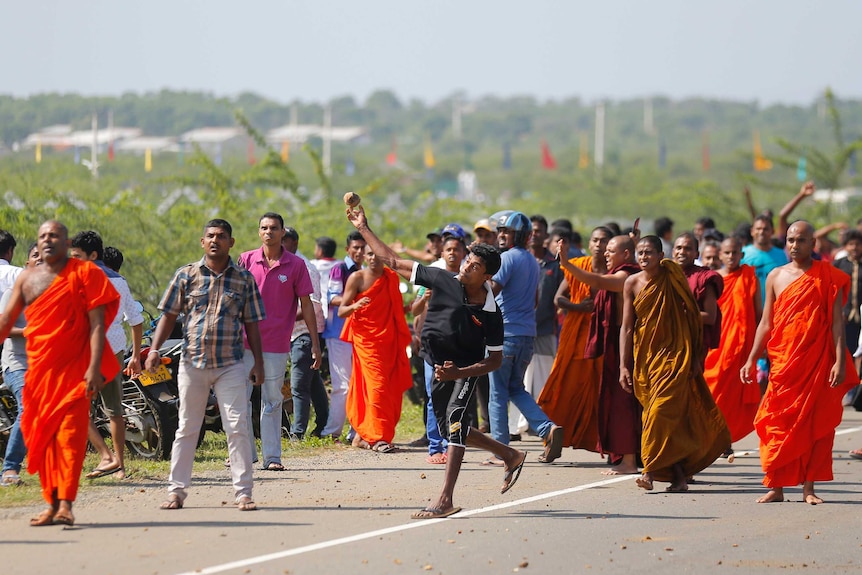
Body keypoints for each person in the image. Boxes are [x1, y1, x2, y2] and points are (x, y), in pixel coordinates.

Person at [345, 205, 526, 519]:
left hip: (465, 369)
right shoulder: (443, 279)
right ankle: (509, 454)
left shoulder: (490, 313)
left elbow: (494, 361)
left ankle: (444, 499)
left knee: (455, 425)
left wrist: (461, 372)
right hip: (436, 364)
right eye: (468, 260)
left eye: (474, 265)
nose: (466, 266)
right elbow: (392, 260)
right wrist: (363, 227)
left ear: (486, 275)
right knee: (450, 429)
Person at [0, 220, 120, 526]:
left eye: (55, 235)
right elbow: (5, 320)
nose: (48, 240)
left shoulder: (85, 273)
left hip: (76, 371)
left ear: (67, 243)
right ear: (37, 244)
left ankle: (66, 502)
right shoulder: (27, 279)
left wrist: (94, 367)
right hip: (38, 373)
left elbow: (96, 324)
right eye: (43, 236)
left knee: (70, 437)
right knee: (45, 439)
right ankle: (51, 503)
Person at [145, 219, 265, 511]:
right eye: (210, 236)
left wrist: (258, 363)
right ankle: (176, 491)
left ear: (231, 243)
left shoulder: (243, 279)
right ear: (202, 242)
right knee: (187, 427)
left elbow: (252, 324)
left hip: (231, 364)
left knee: (236, 427)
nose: (215, 240)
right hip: (192, 363)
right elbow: (169, 316)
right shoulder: (186, 276)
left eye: (221, 236)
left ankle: (243, 492)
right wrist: (153, 350)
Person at [741, 221, 858, 504]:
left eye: (802, 240)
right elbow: (766, 322)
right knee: (777, 420)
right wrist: (751, 357)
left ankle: (809, 488)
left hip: (816, 360)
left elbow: (836, 325)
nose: (795, 245)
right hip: (783, 362)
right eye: (791, 240)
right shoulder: (775, 276)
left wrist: (840, 361)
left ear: (813, 244)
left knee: (813, 422)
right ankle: (776, 486)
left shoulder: (827, 276)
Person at [620, 235, 730, 492]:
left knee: (660, 411)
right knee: (661, 416)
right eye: (641, 253)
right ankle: (679, 476)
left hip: (675, 356)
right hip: (646, 358)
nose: (644, 257)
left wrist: (694, 358)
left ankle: (648, 471)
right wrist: (624, 365)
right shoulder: (631, 283)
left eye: (649, 253)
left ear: (661, 256)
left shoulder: (672, 279)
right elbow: (627, 326)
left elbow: (692, 318)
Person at [237, 214, 320, 470]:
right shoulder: (246, 259)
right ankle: (244, 455)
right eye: (264, 228)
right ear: (258, 231)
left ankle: (272, 457)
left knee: (272, 401)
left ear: (282, 232)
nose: (268, 232)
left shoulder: (296, 265)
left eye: (273, 228)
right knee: (240, 400)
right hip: (244, 341)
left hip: (276, 343)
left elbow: (307, 305)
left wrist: (315, 343)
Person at [557, 233, 642, 475]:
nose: (605, 254)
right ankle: (629, 456)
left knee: (624, 402)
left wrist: (566, 263)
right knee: (619, 401)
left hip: (626, 344)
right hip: (618, 342)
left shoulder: (625, 276)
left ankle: (629, 461)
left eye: (611, 250)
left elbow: (595, 281)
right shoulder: (624, 273)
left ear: (626, 254)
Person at [487, 210, 562, 464]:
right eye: (500, 231)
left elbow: (491, 290)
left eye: (505, 231)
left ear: (518, 235)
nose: (501, 235)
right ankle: (546, 428)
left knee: (497, 393)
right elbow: (537, 300)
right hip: (527, 336)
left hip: (504, 335)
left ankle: (501, 451)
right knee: (516, 388)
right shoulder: (531, 261)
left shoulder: (507, 259)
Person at [70, 230, 145, 481]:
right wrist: (134, 355)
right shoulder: (119, 280)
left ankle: (97, 459)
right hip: (115, 349)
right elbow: (135, 320)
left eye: (77, 256)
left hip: (88, 350)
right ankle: (120, 466)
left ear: (92, 255)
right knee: (114, 411)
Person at [538, 226, 609, 455]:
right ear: (590, 243)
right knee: (563, 387)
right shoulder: (579, 265)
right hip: (576, 336)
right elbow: (558, 299)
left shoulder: (616, 271)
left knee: (601, 391)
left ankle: (606, 444)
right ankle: (552, 439)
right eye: (595, 240)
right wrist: (578, 307)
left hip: (603, 339)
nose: (599, 245)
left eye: (604, 241)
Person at [339, 243, 413, 452]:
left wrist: (415, 305)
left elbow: (396, 309)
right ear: (363, 256)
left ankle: (364, 435)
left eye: (377, 254)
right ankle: (377, 437)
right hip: (367, 343)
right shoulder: (357, 278)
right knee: (376, 387)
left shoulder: (390, 278)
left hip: (389, 342)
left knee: (389, 389)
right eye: (369, 254)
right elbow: (342, 310)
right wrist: (354, 306)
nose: (373, 258)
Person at [704, 237, 762, 454]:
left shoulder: (749, 277)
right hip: (717, 346)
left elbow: (758, 314)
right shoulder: (713, 278)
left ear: (741, 254)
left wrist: (759, 345)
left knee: (732, 399)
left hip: (740, 347)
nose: (731, 256)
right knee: (712, 392)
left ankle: (725, 438)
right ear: (720, 255)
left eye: (735, 252)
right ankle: (712, 437)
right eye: (727, 253)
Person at [508, 215, 563, 438]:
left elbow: (557, 296)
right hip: (518, 331)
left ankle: (540, 428)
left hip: (543, 331)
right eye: (533, 231)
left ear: (545, 235)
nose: (536, 235)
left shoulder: (553, 264)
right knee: (516, 381)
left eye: (540, 231)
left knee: (540, 382)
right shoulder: (516, 259)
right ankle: (514, 429)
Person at [282, 228, 329, 439]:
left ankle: (297, 433)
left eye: (284, 240)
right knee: (313, 381)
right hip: (290, 334)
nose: (279, 243)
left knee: (299, 385)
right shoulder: (283, 265)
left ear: (294, 242)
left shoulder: (305, 267)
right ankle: (323, 425)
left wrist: (284, 318)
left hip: (305, 334)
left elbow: (315, 305)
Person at [0, 244, 40, 487]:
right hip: (18, 363)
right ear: (27, 264)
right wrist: (30, 331)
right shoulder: (14, 294)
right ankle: (9, 470)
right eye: (36, 256)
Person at [320, 231, 366, 440]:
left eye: (362, 248)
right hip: (338, 334)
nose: (359, 251)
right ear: (348, 249)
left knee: (358, 384)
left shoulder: (364, 271)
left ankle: (354, 430)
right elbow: (332, 298)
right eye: (355, 247)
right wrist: (356, 300)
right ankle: (332, 432)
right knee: (342, 385)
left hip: (357, 334)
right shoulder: (339, 269)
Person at [672, 232, 723, 357]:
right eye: (679, 248)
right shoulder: (664, 275)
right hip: (666, 340)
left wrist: (678, 314)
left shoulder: (704, 279)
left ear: (697, 254)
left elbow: (710, 317)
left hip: (692, 344)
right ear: (673, 252)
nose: (682, 252)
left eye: (688, 249)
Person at [742, 214, 789, 300]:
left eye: (765, 229)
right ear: (752, 231)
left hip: (775, 308)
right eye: (758, 229)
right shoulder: (742, 254)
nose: (761, 232)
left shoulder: (781, 255)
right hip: (750, 309)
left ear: (772, 231)